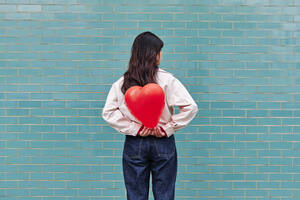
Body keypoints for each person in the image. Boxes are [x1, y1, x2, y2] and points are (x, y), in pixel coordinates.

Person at [102, 31, 198, 200]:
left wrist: (135, 128)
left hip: (135, 143)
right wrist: (167, 128)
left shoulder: (122, 82)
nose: (161, 56)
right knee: (165, 195)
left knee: (135, 195)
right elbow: (191, 107)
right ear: (154, 55)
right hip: (163, 142)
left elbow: (108, 112)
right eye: (160, 52)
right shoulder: (167, 80)